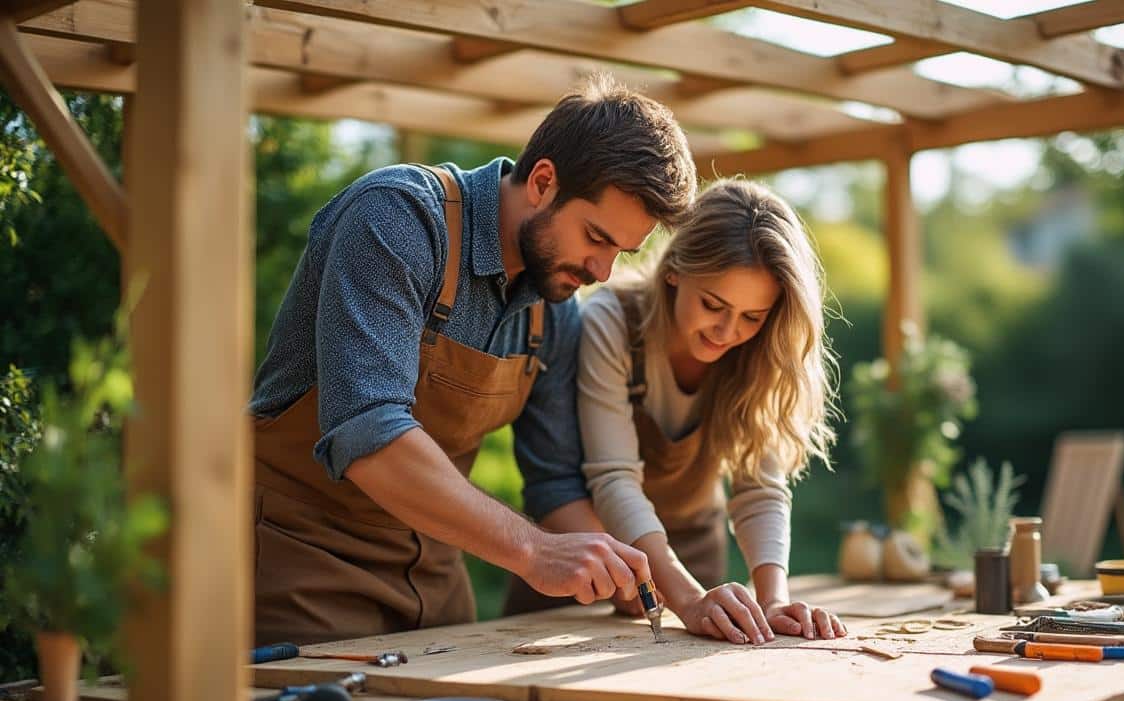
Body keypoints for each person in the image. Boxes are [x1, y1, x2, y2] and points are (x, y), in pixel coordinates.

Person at [248, 75, 698, 645]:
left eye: (621, 252)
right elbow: (366, 431)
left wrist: (645, 581)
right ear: (542, 181)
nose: (602, 272)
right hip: (300, 561)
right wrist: (535, 550)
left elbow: (556, 483)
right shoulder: (399, 219)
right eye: (596, 237)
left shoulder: (554, 308)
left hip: (435, 579)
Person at [506, 179, 847, 644]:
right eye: (713, 305)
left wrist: (773, 600)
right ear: (674, 271)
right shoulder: (613, 321)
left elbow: (759, 487)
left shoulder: (758, 354)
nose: (727, 331)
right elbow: (613, 478)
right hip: (589, 564)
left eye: (752, 317)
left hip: (694, 557)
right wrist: (684, 598)